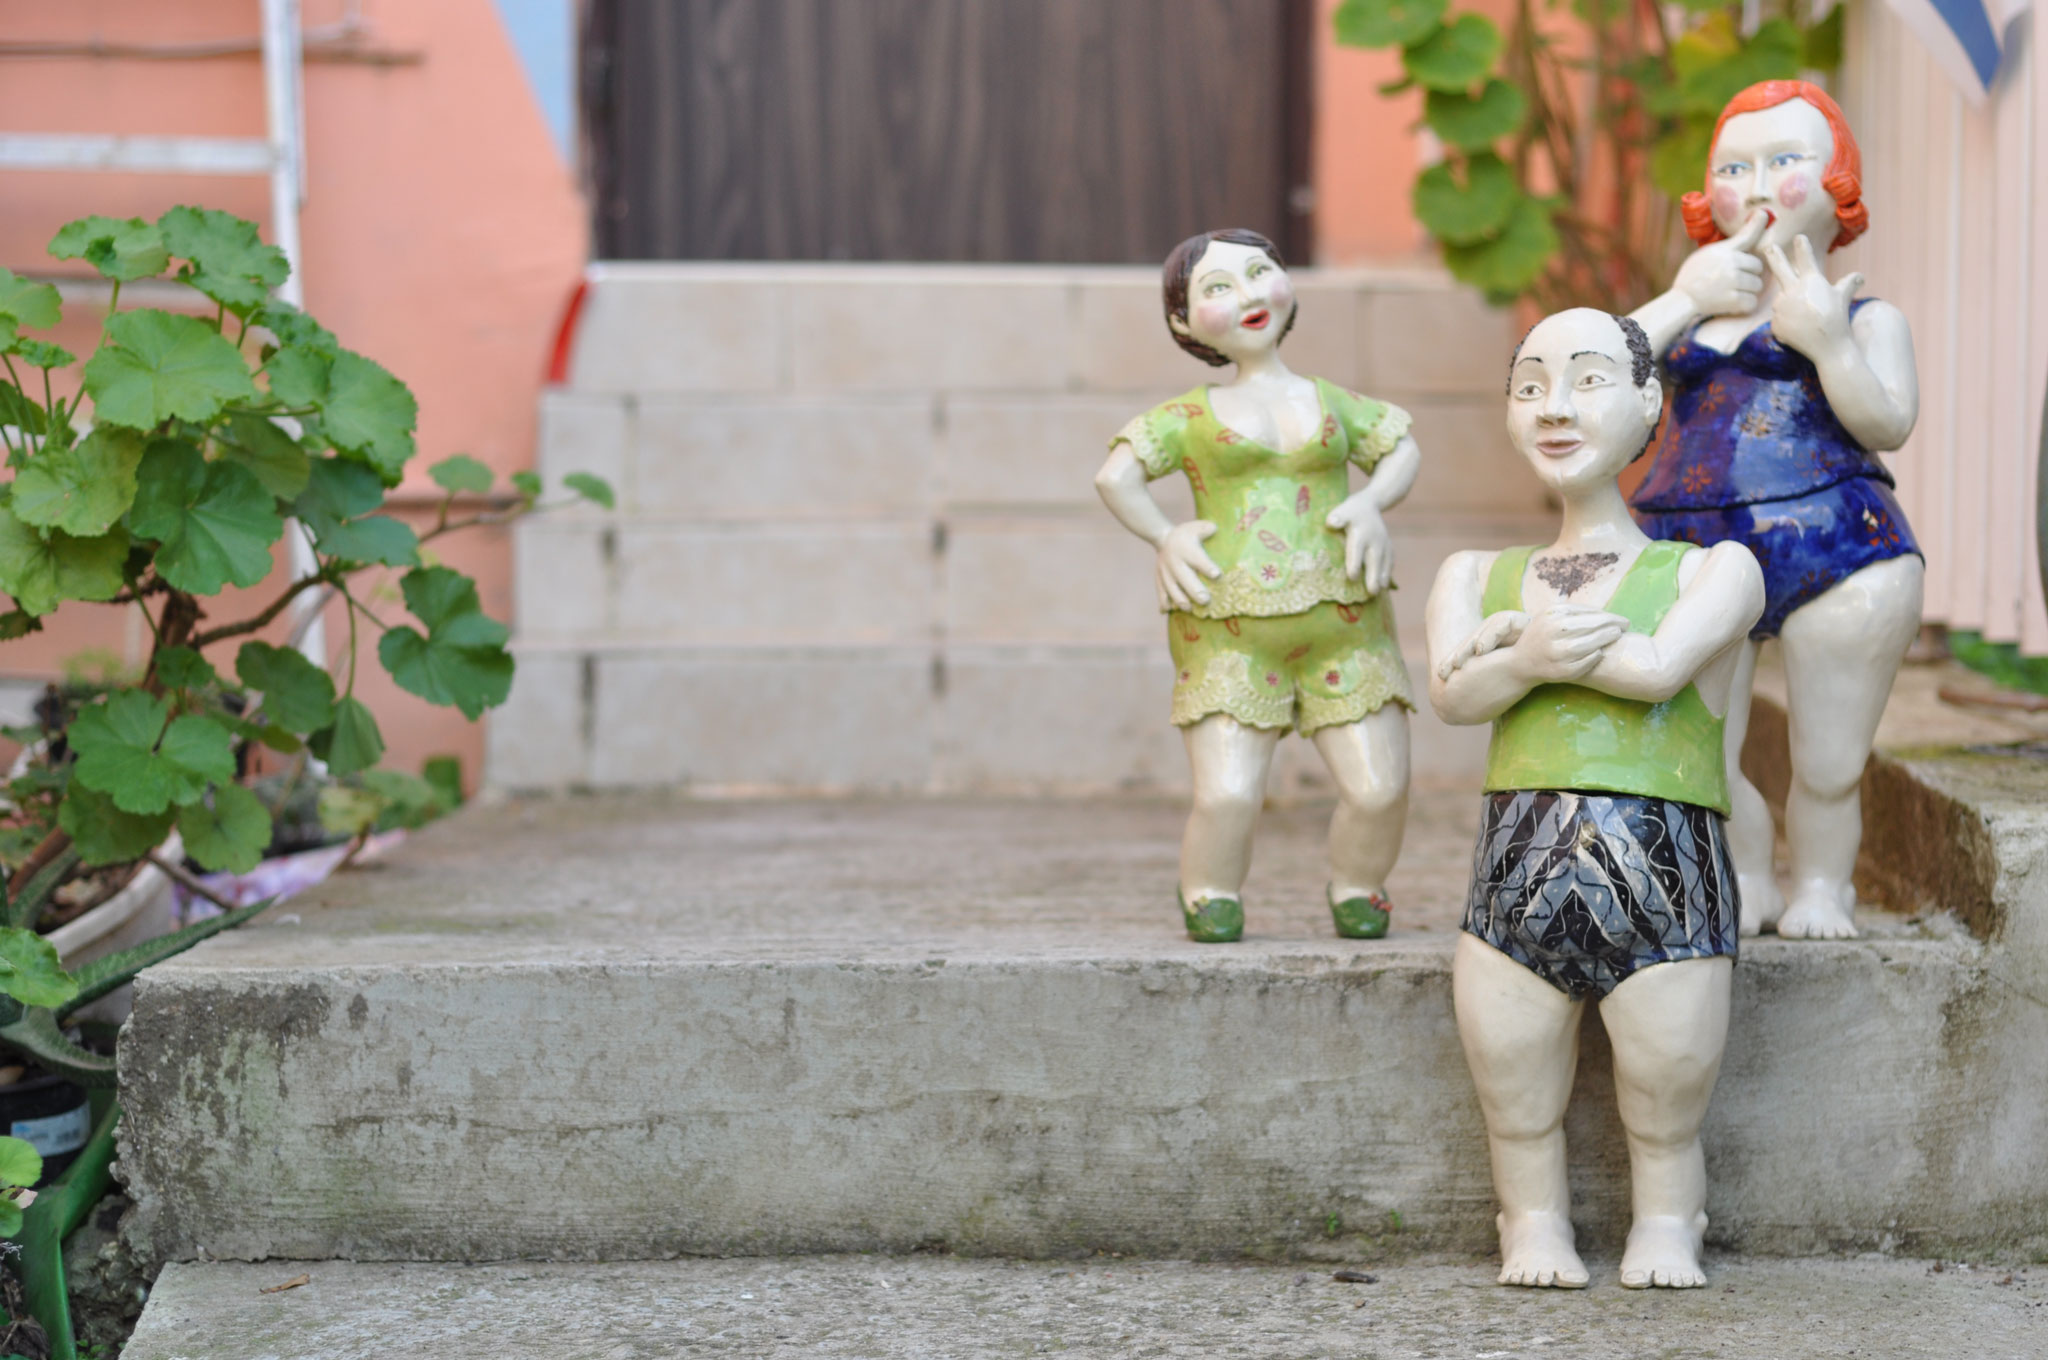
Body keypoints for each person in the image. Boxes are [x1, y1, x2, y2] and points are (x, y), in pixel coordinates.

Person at [1426, 308, 1765, 1289]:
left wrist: (1521, 650)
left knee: (1664, 1092)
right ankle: (1528, 1221)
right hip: (1513, 883)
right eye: (1527, 386)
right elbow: (1452, 692)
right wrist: (1516, 653)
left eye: (1582, 381)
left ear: (1646, 404)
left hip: (1665, 878)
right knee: (1514, 1088)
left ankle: (1667, 1222)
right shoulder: (1474, 573)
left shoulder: (1709, 569)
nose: (1553, 409)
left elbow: (1657, 668)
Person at [1628, 80, 1921, 939]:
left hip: (1839, 547)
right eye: (1733, 167)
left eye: (1784, 162)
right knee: (1704, 745)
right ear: (1705, 195)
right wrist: (1685, 296)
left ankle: (1825, 885)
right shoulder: (1688, 325)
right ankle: (1745, 871)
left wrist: (1826, 339)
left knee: (1828, 759)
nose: (1755, 185)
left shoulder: (1865, 315)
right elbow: (1593, 369)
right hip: (1690, 541)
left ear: (1838, 186)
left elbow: (1889, 421)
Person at [1094, 228, 1417, 943]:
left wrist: (1370, 501)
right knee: (1230, 794)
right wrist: (1165, 535)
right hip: (1227, 628)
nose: (1246, 296)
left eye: (1259, 272)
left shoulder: (1331, 401)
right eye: (1217, 288)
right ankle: (1209, 890)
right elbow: (1116, 475)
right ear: (1183, 323)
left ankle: (1358, 884)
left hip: (1348, 620)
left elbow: (1398, 445)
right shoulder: (1189, 418)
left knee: (1380, 788)